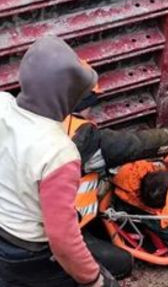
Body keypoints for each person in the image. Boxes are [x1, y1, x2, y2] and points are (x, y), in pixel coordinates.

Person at [0, 35, 116, 287]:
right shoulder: (58, 151)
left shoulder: (3, 105)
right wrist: (94, 280)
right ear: (68, 97)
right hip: (30, 252)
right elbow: (62, 239)